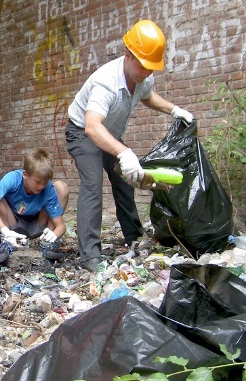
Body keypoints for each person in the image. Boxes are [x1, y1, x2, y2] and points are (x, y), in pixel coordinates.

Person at [65, 20, 193, 272]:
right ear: (128, 55)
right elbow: (92, 127)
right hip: (82, 131)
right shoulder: (106, 83)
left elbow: (147, 96)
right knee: (92, 183)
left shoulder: (143, 76)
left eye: (151, 67)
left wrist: (174, 110)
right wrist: (124, 152)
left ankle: (134, 237)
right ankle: (90, 255)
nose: (147, 72)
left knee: (125, 181)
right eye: (143, 66)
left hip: (108, 133)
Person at [0, 148, 69, 263]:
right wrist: (6, 232)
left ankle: (47, 243)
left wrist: (54, 234)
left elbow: (61, 226)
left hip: (39, 225)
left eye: (45, 182)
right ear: (25, 174)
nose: (41, 186)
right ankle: (7, 242)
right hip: (13, 224)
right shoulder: (13, 178)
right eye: (37, 182)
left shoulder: (47, 188)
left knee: (61, 187)